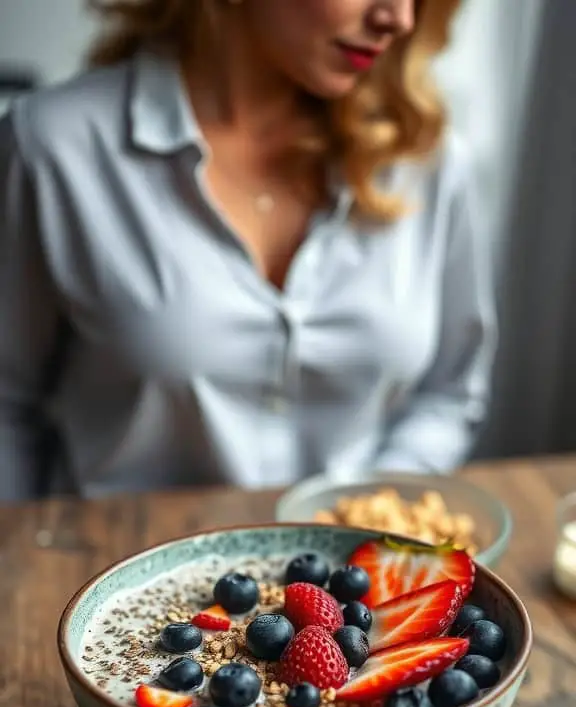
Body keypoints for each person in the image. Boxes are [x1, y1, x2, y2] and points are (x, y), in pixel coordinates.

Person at [0, 0, 495, 501]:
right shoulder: (51, 148)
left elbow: (449, 392)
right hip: (118, 565)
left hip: (351, 568)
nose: (399, 17)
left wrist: (369, 516)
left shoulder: (422, 156)